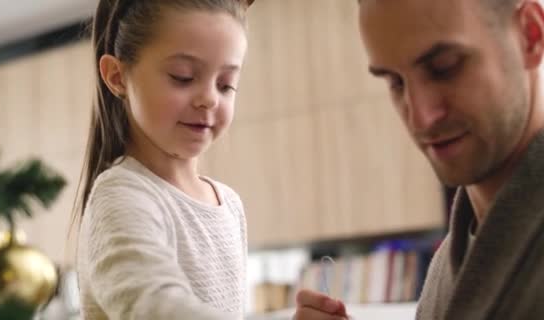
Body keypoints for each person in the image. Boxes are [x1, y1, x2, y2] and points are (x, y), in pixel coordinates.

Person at [294, 0, 544, 319]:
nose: (421, 117)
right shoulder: (447, 265)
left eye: (445, 68)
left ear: (530, 35)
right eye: (396, 82)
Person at [74, 1, 254, 319]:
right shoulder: (120, 196)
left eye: (226, 84)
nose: (210, 98)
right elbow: (156, 306)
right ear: (117, 76)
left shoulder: (229, 205)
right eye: (183, 77)